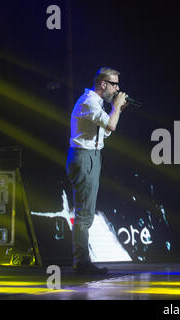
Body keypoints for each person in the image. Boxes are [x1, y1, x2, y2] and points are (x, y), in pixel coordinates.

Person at [66, 67, 128, 274]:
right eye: (114, 84)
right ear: (103, 84)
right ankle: (81, 263)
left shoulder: (96, 102)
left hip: (92, 156)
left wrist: (116, 110)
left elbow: (105, 133)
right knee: (84, 214)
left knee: (87, 212)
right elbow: (111, 126)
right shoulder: (89, 101)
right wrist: (116, 108)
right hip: (84, 157)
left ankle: (82, 261)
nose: (117, 88)